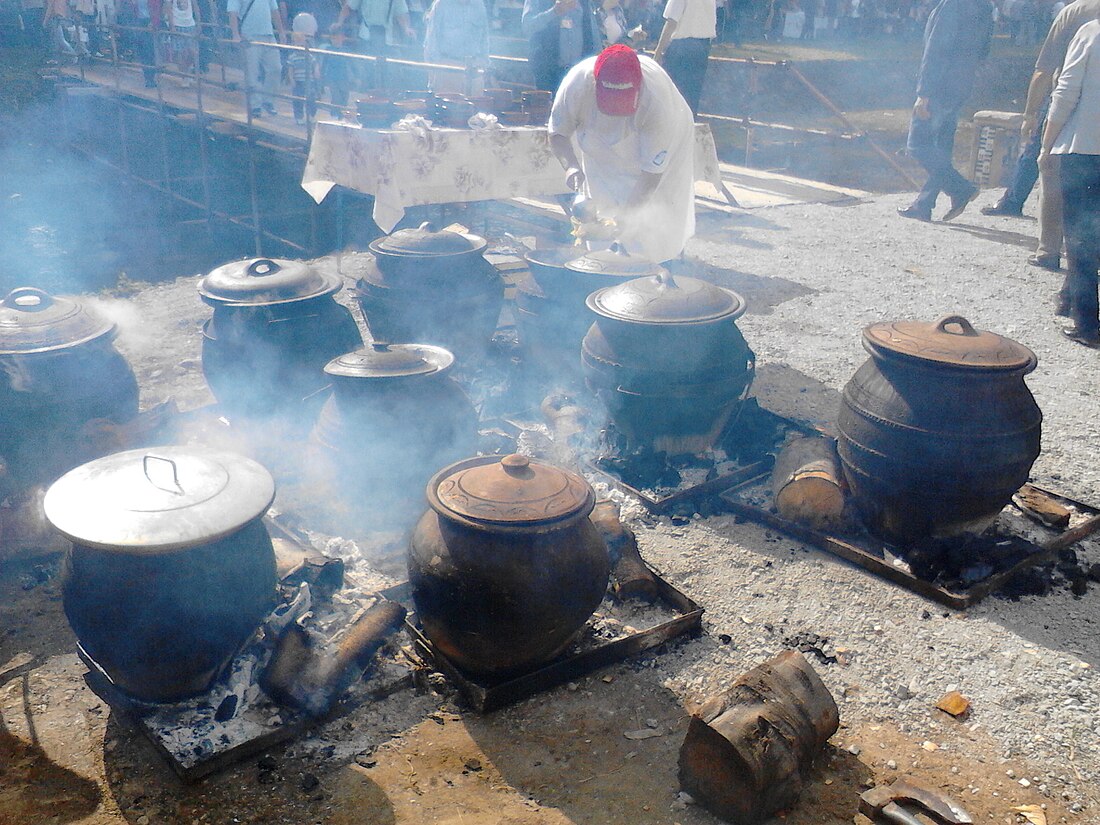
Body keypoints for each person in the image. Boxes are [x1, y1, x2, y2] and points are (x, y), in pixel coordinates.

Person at [548, 43, 696, 263]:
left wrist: (626, 218)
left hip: (666, 151)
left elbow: (651, 176)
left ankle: (660, 272)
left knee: (656, 223)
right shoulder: (577, 84)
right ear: (594, 83)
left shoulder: (658, 101)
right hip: (600, 154)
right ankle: (603, 268)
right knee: (601, 218)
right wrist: (570, 166)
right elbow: (557, 134)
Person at [982, 0, 1100, 273]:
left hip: (1071, 105)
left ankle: (1048, 249)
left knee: (1051, 172)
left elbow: (1045, 70)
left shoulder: (1076, 12)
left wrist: (1031, 114)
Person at [896, 0, 993, 222]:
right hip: (961, 85)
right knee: (941, 145)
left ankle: (960, 188)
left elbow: (936, 50)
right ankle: (924, 204)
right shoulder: (985, 6)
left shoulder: (952, 5)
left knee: (918, 145)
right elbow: (984, 50)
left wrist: (924, 92)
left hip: (940, 86)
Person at [1041, 17, 1100, 346]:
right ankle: (1070, 300)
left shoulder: (1092, 32)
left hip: (1086, 148)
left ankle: (1088, 325)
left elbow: (1066, 92)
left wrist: (1046, 143)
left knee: (1081, 241)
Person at [522, 0, 601, 92]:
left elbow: (594, 33)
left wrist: (599, 63)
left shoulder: (585, 2)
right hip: (548, 72)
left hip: (579, 74)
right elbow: (527, 27)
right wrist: (554, 12)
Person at [653, 0, 715, 115]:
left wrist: (658, 52)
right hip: (702, 47)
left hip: (682, 48)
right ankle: (689, 128)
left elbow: (671, 22)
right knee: (692, 96)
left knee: (673, 94)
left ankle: (674, 129)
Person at [229, 0, 285, 117]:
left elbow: (274, 10)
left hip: (269, 35)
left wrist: (281, 32)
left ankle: (268, 100)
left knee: (276, 68)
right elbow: (232, 12)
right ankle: (255, 106)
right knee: (252, 72)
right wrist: (235, 34)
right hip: (249, 36)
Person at [422, 0, 489, 94]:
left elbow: (484, 38)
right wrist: (434, 73)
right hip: (448, 68)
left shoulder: (479, 4)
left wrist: (484, 63)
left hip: (474, 68)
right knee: (449, 107)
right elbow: (431, 41)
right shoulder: (441, 4)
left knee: (475, 106)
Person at [287, 10, 319, 123]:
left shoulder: (309, 56)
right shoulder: (292, 57)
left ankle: (311, 115)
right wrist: (291, 79)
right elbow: (290, 69)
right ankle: (299, 117)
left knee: (311, 98)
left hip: (308, 80)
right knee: (298, 99)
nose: (300, 45)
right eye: (297, 43)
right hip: (298, 81)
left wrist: (316, 74)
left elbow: (314, 64)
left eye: (301, 43)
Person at [165, 0, 201, 83]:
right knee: (180, 53)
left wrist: (198, 22)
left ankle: (188, 72)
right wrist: (172, 25)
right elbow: (169, 8)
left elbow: (195, 6)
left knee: (193, 52)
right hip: (177, 25)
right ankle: (185, 76)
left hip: (190, 25)